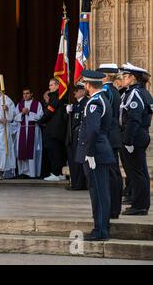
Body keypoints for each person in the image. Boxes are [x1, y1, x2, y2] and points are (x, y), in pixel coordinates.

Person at [76, 70, 115, 241]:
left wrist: (89, 153)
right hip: (100, 151)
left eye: (84, 83)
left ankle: (100, 230)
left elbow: (93, 130)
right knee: (101, 191)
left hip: (96, 153)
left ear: (88, 85)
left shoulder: (94, 102)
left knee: (98, 193)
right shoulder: (102, 99)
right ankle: (102, 226)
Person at [119, 63, 152, 216]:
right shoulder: (142, 92)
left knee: (137, 173)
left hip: (135, 135)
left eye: (125, 76)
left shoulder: (135, 94)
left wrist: (127, 140)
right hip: (140, 134)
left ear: (133, 78)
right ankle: (141, 203)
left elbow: (134, 119)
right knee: (140, 172)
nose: (123, 79)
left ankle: (139, 205)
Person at [98, 64, 123, 219]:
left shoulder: (106, 91)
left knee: (111, 174)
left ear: (105, 76)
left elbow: (104, 115)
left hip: (108, 136)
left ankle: (112, 208)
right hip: (113, 136)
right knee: (114, 173)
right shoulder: (113, 90)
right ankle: (114, 208)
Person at [39, 78, 68, 181]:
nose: (49, 87)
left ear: (57, 85)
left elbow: (49, 112)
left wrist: (39, 121)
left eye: (51, 85)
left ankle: (56, 173)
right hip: (57, 130)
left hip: (54, 131)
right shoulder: (60, 96)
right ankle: (60, 172)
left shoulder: (55, 97)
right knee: (58, 152)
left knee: (54, 153)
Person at [14, 88, 43, 178]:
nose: (25, 95)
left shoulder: (37, 104)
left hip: (33, 130)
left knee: (32, 151)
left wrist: (29, 112)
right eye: (24, 94)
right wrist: (22, 113)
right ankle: (23, 172)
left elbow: (40, 116)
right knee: (21, 151)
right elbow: (15, 117)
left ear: (31, 94)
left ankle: (32, 173)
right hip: (22, 130)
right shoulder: (19, 104)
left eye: (27, 93)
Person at [65, 83, 88, 191]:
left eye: (77, 90)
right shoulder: (76, 104)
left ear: (83, 91)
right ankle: (75, 183)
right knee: (73, 161)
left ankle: (79, 184)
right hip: (72, 136)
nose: (74, 92)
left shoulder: (85, 102)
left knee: (78, 161)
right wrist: (69, 112)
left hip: (79, 136)